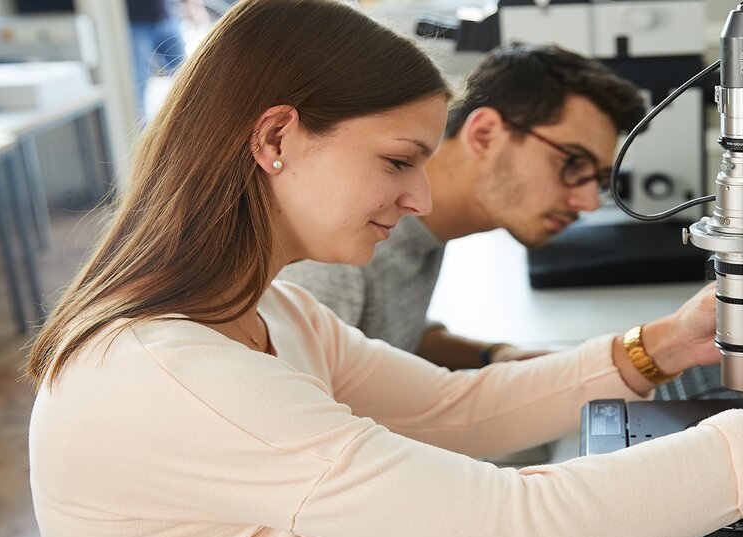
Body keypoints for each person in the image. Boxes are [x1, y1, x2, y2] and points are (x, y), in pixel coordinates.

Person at [16, 0, 743, 537]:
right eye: (396, 160)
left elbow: (451, 409)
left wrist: (660, 345)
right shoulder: (176, 372)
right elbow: (521, 532)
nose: (414, 196)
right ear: (277, 138)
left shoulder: (264, 314)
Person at [277, 43, 647, 370]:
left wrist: (495, 354)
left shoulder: (421, 234)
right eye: (572, 164)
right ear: (485, 135)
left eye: (596, 179)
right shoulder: (336, 255)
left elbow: (392, 340)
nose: (586, 203)